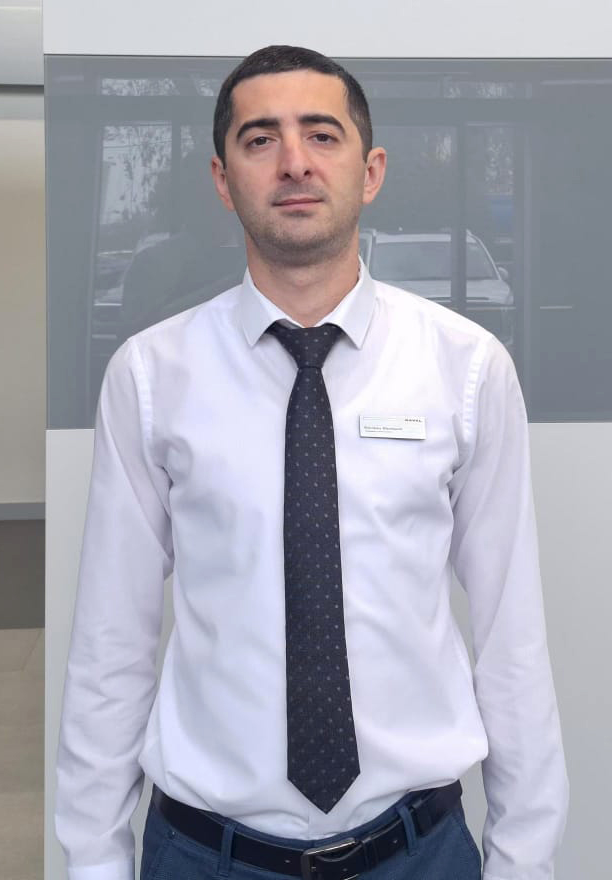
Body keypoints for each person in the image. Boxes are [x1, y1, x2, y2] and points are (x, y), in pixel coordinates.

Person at [56, 45, 568, 880]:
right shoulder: (152, 377)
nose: (294, 161)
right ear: (223, 180)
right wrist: (93, 864)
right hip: (205, 855)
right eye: (260, 139)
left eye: (322, 135)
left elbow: (513, 639)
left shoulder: (466, 370)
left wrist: (525, 860)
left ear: (371, 171)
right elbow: (110, 648)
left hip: (419, 854)